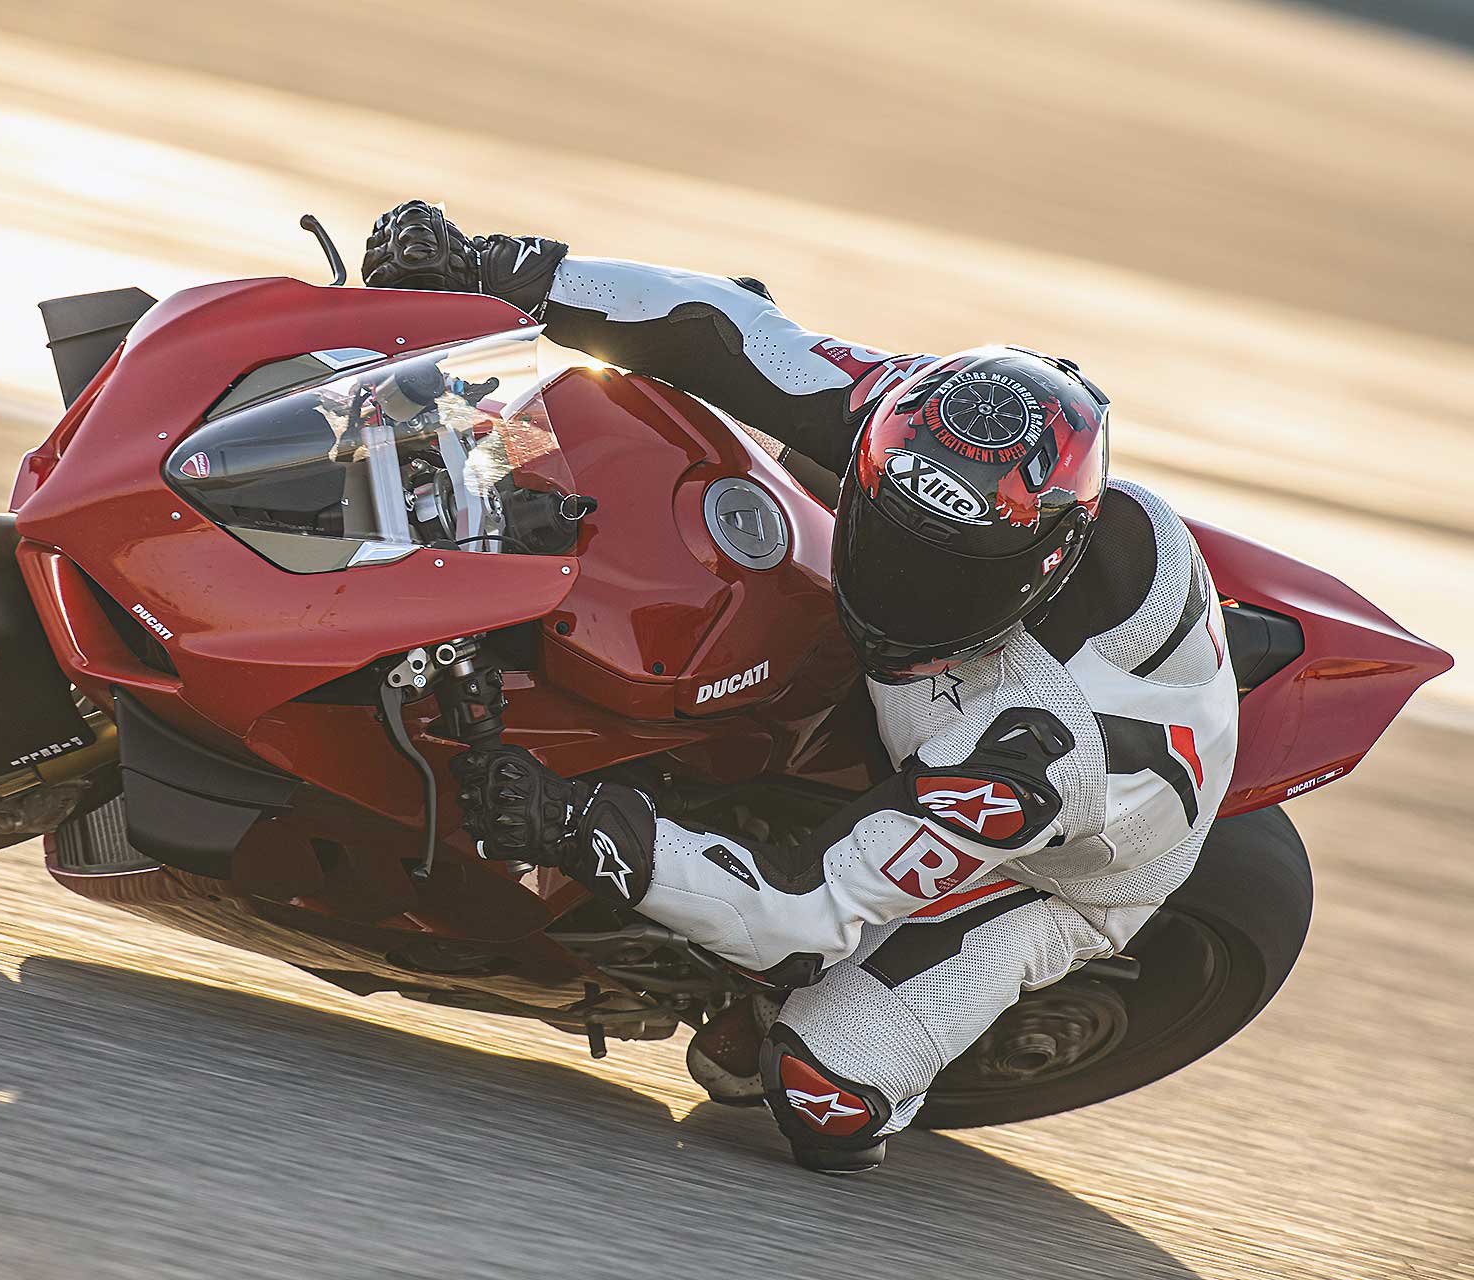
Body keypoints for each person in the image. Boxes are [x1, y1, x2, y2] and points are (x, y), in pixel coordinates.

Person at [362, 201, 1239, 1174]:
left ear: (1040, 570)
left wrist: (573, 823)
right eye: (891, 534)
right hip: (961, 694)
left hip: (1049, 866)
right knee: (721, 396)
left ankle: (871, 1048)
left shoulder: (1028, 750)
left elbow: (802, 908)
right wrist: (495, 266)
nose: (902, 583)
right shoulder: (918, 417)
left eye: (948, 573)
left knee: (820, 1092)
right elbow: (730, 334)